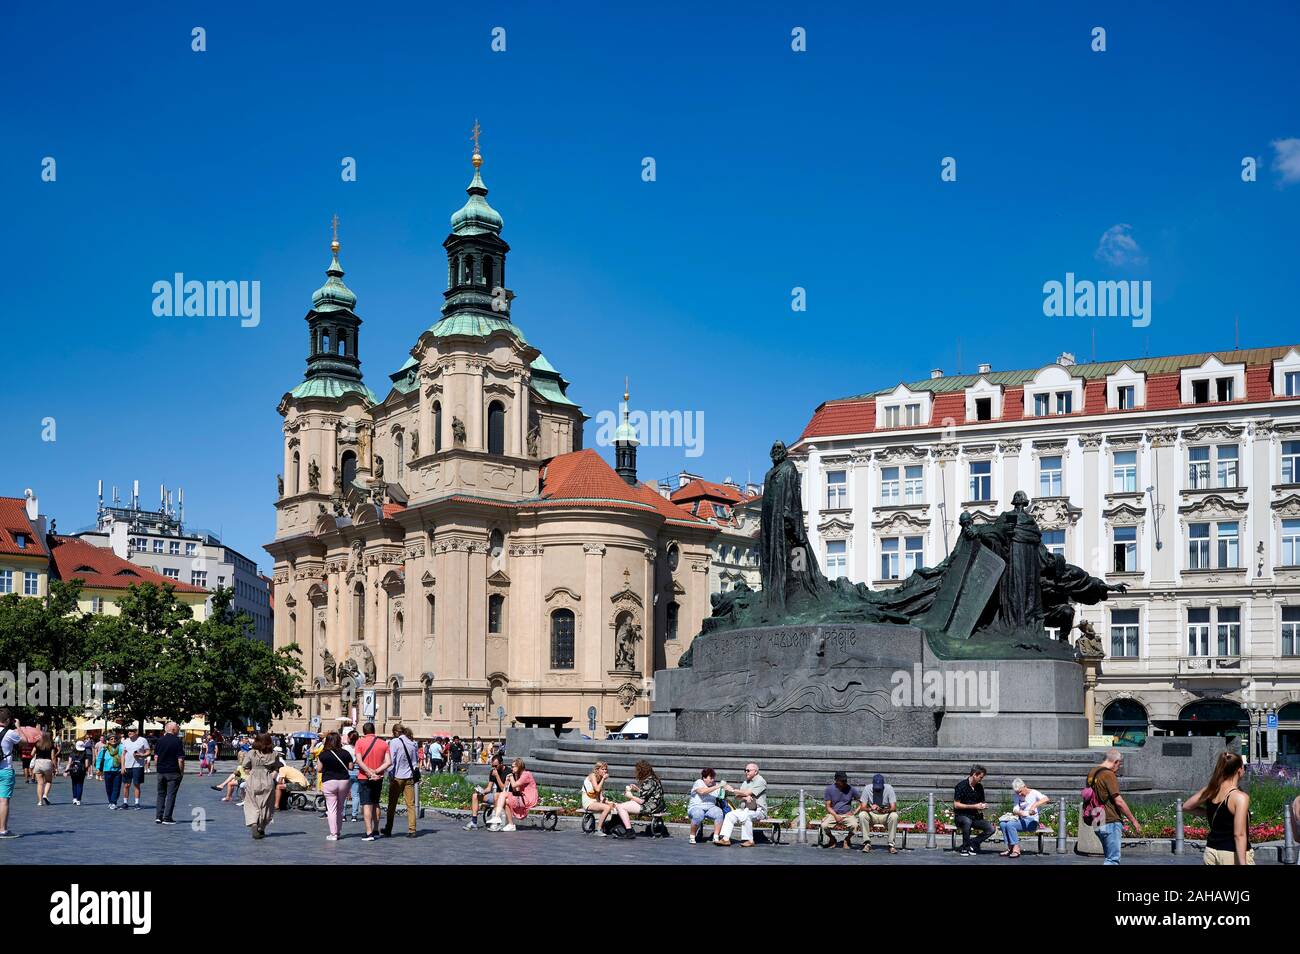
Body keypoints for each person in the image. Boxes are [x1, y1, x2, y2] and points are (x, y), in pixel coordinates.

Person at [1183, 752, 1253, 866]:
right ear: (1239, 769)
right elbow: (1239, 834)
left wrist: (1211, 813)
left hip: (1211, 852)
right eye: (1244, 766)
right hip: (1231, 855)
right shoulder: (1240, 797)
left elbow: (1186, 807)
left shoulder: (1212, 789)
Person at [1087, 749, 1141, 865]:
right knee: (1112, 860)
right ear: (1115, 761)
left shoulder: (1092, 772)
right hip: (1110, 820)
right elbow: (1119, 802)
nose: (1119, 767)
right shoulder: (1108, 774)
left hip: (1097, 820)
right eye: (1119, 764)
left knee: (1108, 857)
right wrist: (1133, 820)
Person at [239, 733, 283, 840]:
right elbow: (277, 767)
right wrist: (273, 773)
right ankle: (262, 826)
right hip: (267, 779)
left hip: (253, 779)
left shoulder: (251, 753)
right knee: (266, 804)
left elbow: (245, 766)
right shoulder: (274, 754)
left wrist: (250, 773)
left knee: (251, 803)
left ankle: (253, 823)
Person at [353, 722, 391, 841]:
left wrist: (369, 772)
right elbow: (388, 762)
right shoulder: (383, 743)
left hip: (364, 777)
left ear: (364, 732)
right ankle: (376, 829)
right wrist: (376, 771)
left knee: (366, 804)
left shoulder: (360, 742)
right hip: (378, 777)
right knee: (376, 803)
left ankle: (369, 833)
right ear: (374, 730)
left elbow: (358, 761)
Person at [717, 762, 768, 847]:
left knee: (746, 815)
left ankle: (749, 840)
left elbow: (747, 792)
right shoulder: (746, 782)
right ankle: (725, 839)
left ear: (755, 772)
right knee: (730, 815)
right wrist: (745, 797)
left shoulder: (761, 781)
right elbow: (737, 796)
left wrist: (733, 790)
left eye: (748, 770)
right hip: (745, 809)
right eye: (745, 770)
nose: (746, 772)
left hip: (759, 811)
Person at [384, 724, 420, 838]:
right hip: (409, 777)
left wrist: (390, 773)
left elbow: (391, 760)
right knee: (410, 805)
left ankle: (388, 829)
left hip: (397, 777)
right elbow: (415, 763)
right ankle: (412, 829)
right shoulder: (412, 743)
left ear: (395, 732)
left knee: (392, 804)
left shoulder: (394, 742)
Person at [317, 731, 353, 841]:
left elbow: (319, 769)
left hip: (329, 781)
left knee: (331, 808)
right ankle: (338, 831)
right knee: (340, 807)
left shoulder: (323, 754)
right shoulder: (345, 753)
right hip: (343, 781)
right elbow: (351, 767)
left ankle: (333, 834)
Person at [999, 778, 1048, 859]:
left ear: (1025, 786)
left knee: (1010, 825)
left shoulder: (1034, 793)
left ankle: (1016, 849)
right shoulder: (1017, 796)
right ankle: (1010, 847)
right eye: (1018, 793)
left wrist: (1034, 806)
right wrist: (1020, 813)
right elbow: (1015, 809)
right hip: (1021, 819)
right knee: (1003, 824)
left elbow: (1046, 799)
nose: (1020, 794)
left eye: (1021, 791)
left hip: (1032, 821)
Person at [488, 758, 539, 832]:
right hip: (522, 797)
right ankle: (509, 824)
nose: (512, 768)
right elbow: (516, 790)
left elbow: (514, 785)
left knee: (504, 795)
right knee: (505, 800)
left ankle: (497, 817)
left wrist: (511, 777)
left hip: (529, 799)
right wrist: (508, 781)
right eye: (511, 766)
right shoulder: (518, 775)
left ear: (519, 766)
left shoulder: (526, 774)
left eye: (513, 766)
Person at [953, 765, 994, 856]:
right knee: (967, 821)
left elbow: (981, 802)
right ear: (975, 775)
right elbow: (956, 805)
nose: (981, 779)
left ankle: (972, 843)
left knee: (990, 829)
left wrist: (983, 805)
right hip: (961, 816)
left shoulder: (979, 787)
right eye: (980, 777)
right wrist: (974, 806)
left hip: (974, 816)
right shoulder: (961, 786)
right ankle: (965, 847)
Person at [465, 753, 510, 831]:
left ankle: (495, 823)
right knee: (475, 796)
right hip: (496, 795)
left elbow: (504, 789)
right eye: (493, 766)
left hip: (505, 796)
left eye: (496, 766)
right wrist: (482, 791)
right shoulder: (493, 772)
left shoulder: (508, 772)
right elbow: (489, 788)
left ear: (501, 764)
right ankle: (474, 822)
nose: (494, 768)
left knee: (496, 795)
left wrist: (497, 776)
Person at [858, 772, 900, 854]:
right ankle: (867, 843)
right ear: (872, 784)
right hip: (872, 814)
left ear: (883, 785)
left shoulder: (889, 788)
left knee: (894, 816)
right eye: (876, 787)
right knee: (862, 815)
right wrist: (870, 808)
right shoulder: (867, 788)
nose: (878, 789)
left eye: (879, 787)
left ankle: (891, 845)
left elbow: (894, 807)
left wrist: (883, 810)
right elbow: (862, 807)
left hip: (885, 814)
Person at [153, 721, 185, 825]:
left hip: (161, 771)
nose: (178, 730)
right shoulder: (177, 741)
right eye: (177, 728)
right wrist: (181, 772)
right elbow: (180, 759)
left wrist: (157, 768)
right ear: (173, 729)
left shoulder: (160, 740)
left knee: (161, 794)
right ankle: (167, 818)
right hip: (173, 771)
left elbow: (156, 757)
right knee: (171, 795)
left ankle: (158, 817)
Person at [820, 770, 862, 849]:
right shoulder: (829, 789)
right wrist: (835, 815)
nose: (844, 782)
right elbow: (828, 807)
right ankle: (832, 839)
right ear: (836, 780)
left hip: (847, 814)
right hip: (833, 813)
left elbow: (862, 802)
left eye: (845, 780)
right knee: (824, 825)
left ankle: (847, 839)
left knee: (855, 825)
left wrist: (854, 812)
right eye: (842, 781)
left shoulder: (851, 789)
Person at [0, 708, 24, 837]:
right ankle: (2, 830)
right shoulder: (10, 733)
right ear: (9, 720)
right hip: (5, 769)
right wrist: (18, 727)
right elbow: (25, 742)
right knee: (3, 801)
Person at [687, 767, 725, 844]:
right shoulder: (699, 782)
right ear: (704, 778)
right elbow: (702, 792)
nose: (712, 780)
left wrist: (727, 788)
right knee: (699, 814)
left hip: (710, 808)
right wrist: (717, 786)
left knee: (719, 812)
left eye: (713, 778)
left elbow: (721, 796)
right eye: (710, 778)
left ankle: (716, 837)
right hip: (696, 807)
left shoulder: (716, 785)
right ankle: (692, 836)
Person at [119, 726, 150, 810]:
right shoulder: (125, 741)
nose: (129, 732)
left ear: (136, 732)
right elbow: (123, 754)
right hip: (127, 766)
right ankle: (125, 803)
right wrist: (122, 766)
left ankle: (137, 803)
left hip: (138, 766)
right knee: (126, 785)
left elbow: (148, 751)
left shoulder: (142, 740)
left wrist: (141, 755)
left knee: (136, 785)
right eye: (128, 731)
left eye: (131, 731)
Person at [96, 731, 124, 809]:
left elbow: (124, 756)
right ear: (108, 740)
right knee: (108, 787)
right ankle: (110, 801)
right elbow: (99, 758)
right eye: (111, 739)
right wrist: (98, 768)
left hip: (117, 770)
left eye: (115, 739)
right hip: (107, 770)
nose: (113, 740)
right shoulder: (104, 748)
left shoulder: (120, 747)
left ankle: (113, 802)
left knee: (116, 787)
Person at [31, 730, 59, 806]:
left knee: (40, 783)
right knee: (48, 781)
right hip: (47, 763)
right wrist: (55, 767)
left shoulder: (37, 743)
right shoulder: (51, 745)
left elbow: (32, 753)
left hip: (38, 762)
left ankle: (40, 801)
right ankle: (45, 795)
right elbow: (53, 757)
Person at [66, 737, 90, 806]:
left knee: (74, 784)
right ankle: (79, 800)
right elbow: (86, 764)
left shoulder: (72, 753)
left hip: (73, 770)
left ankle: (74, 798)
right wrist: (87, 771)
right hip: (81, 770)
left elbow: (69, 763)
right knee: (80, 784)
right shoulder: (85, 753)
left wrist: (66, 771)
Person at [343, 729, 361, 822]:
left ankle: (343, 815)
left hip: (346, 772)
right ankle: (354, 816)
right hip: (357, 771)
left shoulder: (345, 748)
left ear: (349, 738)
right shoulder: (360, 747)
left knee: (344, 794)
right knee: (356, 795)